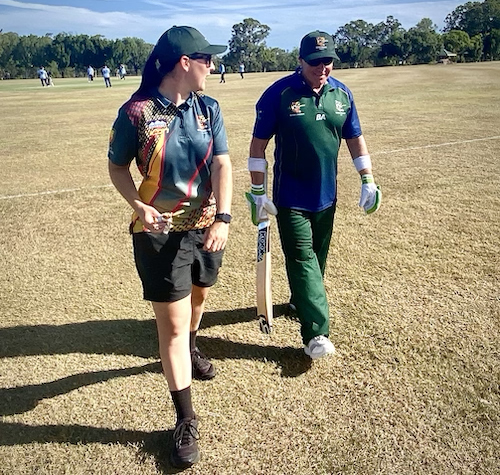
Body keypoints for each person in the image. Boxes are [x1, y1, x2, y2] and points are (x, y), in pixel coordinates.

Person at [108, 25, 231, 468]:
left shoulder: (209, 108)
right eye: (207, 59)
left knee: (199, 297)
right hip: (160, 236)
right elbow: (117, 167)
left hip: (207, 229)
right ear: (185, 62)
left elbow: (221, 163)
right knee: (172, 328)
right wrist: (139, 206)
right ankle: (184, 418)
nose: (212, 67)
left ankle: (193, 345)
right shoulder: (136, 113)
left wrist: (224, 218)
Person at [247, 30, 381, 360]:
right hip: (290, 198)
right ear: (300, 61)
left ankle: (299, 300)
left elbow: (354, 138)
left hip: (327, 196)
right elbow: (257, 147)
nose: (323, 67)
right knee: (303, 259)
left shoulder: (342, 94)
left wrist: (368, 179)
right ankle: (316, 333)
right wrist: (257, 191)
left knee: (317, 260)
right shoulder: (278, 94)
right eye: (315, 62)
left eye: (328, 61)